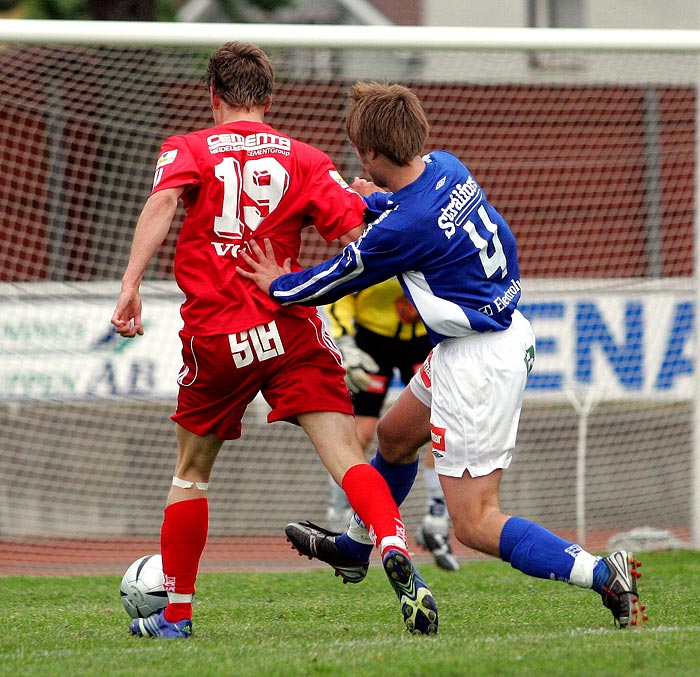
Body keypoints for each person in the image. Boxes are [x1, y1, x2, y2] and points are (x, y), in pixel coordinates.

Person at [239, 81, 647, 629]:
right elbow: (409, 206)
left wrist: (276, 285)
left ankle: (602, 573)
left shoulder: (405, 228)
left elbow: (334, 280)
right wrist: (371, 199)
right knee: (394, 436)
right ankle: (360, 546)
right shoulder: (445, 166)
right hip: (493, 336)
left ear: (370, 153)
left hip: (477, 361)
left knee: (474, 522)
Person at [111, 46, 438, 638]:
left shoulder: (186, 149)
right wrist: (364, 199)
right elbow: (357, 238)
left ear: (213, 95)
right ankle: (392, 541)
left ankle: (176, 617)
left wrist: (131, 285)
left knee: (191, 473)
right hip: (291, 329)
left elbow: (161, 203)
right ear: (269, 98)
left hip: (218, 335)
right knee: (348, 459)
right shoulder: (308, 160)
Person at [323, 281, 460, 571]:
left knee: (441, 427)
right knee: (359, 434)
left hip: (424, 339)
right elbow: (343, 288)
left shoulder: (432, 245)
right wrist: (345, 341)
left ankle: (436, 522)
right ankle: (340, 513)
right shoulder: (377, 243)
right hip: (375, 342)